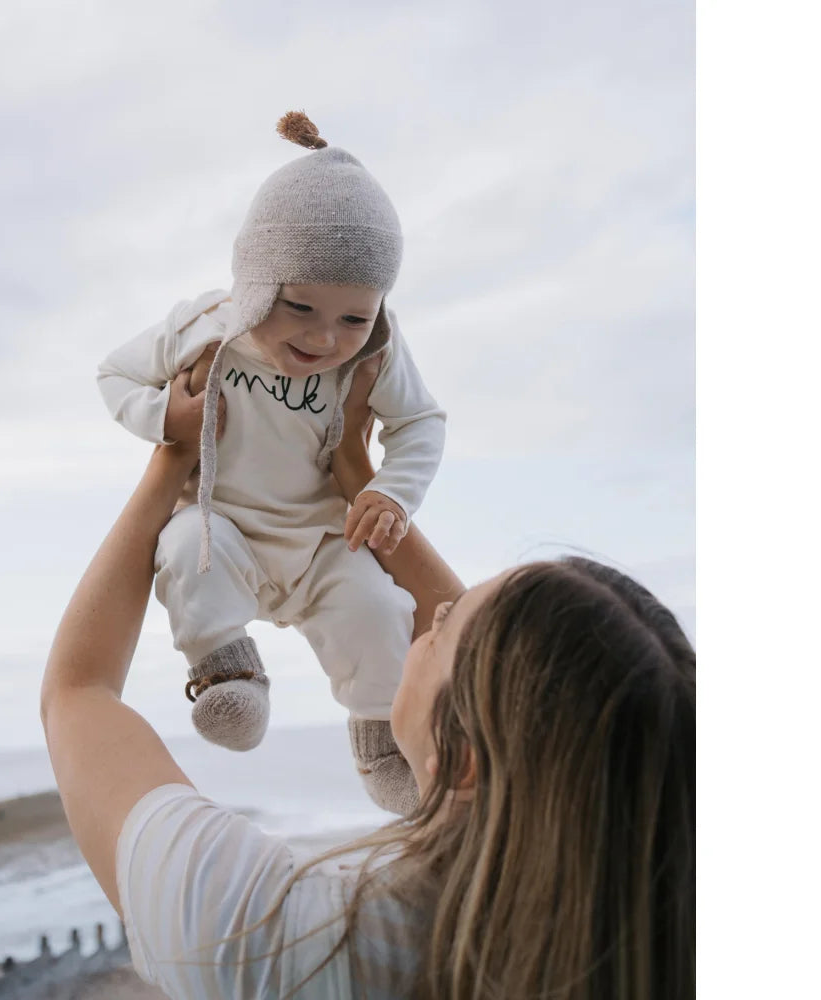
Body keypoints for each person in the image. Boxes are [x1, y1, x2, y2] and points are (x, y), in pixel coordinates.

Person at [41, 354, 696, 1000]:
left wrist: (175, 459)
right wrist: (359, 478)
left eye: (441, 629)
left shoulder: (287, 940)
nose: (430, 611)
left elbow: (78, 691)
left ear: (462, 760)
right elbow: (529, 698)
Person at [95, 111, 445, 815]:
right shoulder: (205, 325)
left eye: (354, 317)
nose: (325, 337)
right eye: (300, 307)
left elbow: (420, 422)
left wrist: (394, 495)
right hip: (222, 521)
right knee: (187, 551)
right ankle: (227, 671)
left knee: (379, 608)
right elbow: (114, 376)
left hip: (324, 538)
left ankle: (381, 735)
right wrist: (168, 418)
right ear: (257, 284)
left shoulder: (378, 350)